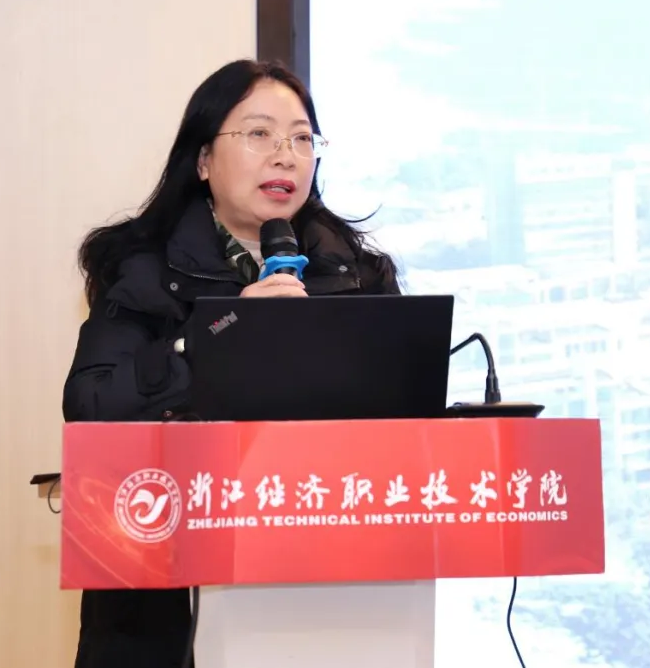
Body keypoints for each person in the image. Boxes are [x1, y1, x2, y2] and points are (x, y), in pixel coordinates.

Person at [61, 58, 401, 668]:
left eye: (302, 139)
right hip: (164, 603)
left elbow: (403, 423)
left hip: (329, 588)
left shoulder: (360, 275)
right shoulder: (140, 269)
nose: (285, 156)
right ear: (202, 160)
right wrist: (220, 336)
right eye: (259, 134)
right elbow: (92, 403)